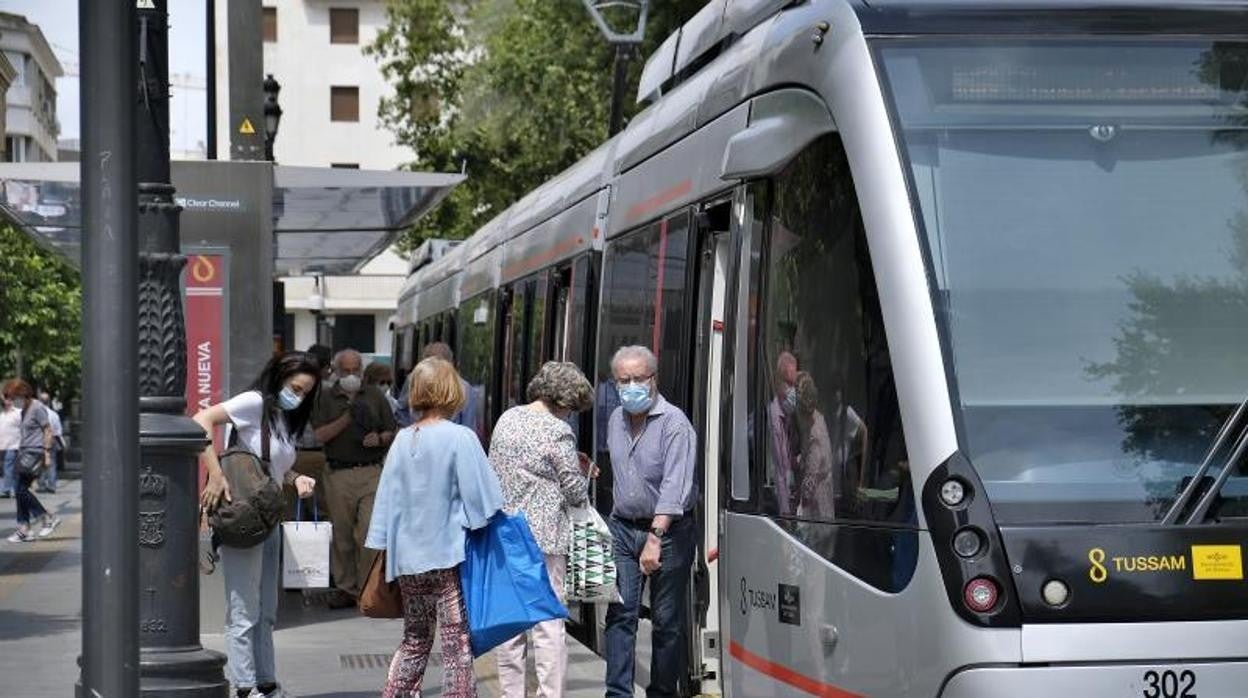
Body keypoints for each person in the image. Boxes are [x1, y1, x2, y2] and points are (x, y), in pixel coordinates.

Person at [366, 357, 504, 698]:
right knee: (456, 642)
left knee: (415, 638)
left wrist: (383, 543)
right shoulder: (461, 437)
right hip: (447, 557)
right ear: (451, 391)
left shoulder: (401, 439)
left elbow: (386, 499)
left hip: (407, 560)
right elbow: (484, 503)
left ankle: (395, 694)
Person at [195, 352, 320, 698]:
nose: (299, 396)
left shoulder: (281, 418)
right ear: (279, 378)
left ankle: (266, 682)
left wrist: (295, 478)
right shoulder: (253, 403)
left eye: (306, 392)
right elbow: (201, 418)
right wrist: (216, 475)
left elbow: (269, 467)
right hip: (242, 519)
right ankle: (245, 687)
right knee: (243, 610)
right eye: (296, 387)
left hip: (268, 519)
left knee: (266, 610)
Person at [488, 361, 596, 698]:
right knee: (548, 625)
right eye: (572, 410)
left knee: (510, 626)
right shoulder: (558, 430)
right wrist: (585, 472)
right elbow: (574, 490)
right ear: (564, 403)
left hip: (505, 535)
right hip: (545, 538)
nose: (571, 416)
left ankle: (511, 693)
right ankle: (550, 694)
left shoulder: (507, 419)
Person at [602, 346, 698, 698]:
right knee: (620, 616)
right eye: (623, 380)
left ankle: (661, 692)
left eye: (638, 379)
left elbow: (676, 485)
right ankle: (617, 693)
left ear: (653, 379)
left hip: (669, 534)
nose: (630, 387)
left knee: (666, 622)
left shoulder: (675, 424)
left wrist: (655, 536)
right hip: (623, 528)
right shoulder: (615, 420)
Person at [312, 348, 397, 609]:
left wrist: (380, 438)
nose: (351, 375)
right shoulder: (325, 397)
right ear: (336, 372)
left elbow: (393, 431)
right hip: (338, 473)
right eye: (346, 371)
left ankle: (367, 587)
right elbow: (320, 436)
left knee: (369, 531)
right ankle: (345, 588)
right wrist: (348, 417)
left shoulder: (374, 395)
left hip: (371, 471)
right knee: (343, 535)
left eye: (355, 370)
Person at [2, 379, 61, 543]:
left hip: (35, 453)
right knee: (19, 489)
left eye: (14, 398)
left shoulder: (37, 407)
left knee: (20, 489)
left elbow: (48, 430)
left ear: (23, 394)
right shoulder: (23, 411)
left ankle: (47, 517)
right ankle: (24, 529)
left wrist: (47, 454)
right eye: (10, 399)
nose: (12, 401)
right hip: (25, 452)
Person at [398, 343, 479, 434]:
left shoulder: (413, 380)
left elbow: (401, 412)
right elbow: (469, 425)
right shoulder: (466, 389)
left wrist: (412, 431)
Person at [767, 352, 800, 515]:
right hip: (779, 504)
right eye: (789, 384)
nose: (792, 390)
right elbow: (780, 474)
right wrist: (786, 515)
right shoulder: (774, 417)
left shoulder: (788, 415)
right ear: (779, 382)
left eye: (794, 385)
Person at [36, 390, 63, 494]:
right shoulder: (54, 414)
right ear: (48, 401)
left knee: (41, 464)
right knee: (52, 464)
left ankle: (42, 485)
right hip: (52, 440)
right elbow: (58, 430)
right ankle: (52, 485)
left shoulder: (37, 413)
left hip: (39, 440)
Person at [0, 392, 19, 499]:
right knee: (6, 469)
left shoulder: (17, 413)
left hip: (13, 445)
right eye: (5, 399)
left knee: (8, 468)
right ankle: (11, 488)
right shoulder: (2, 415)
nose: (6, 401)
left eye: (8, 399)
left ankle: (7, 489)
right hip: (2, 446)